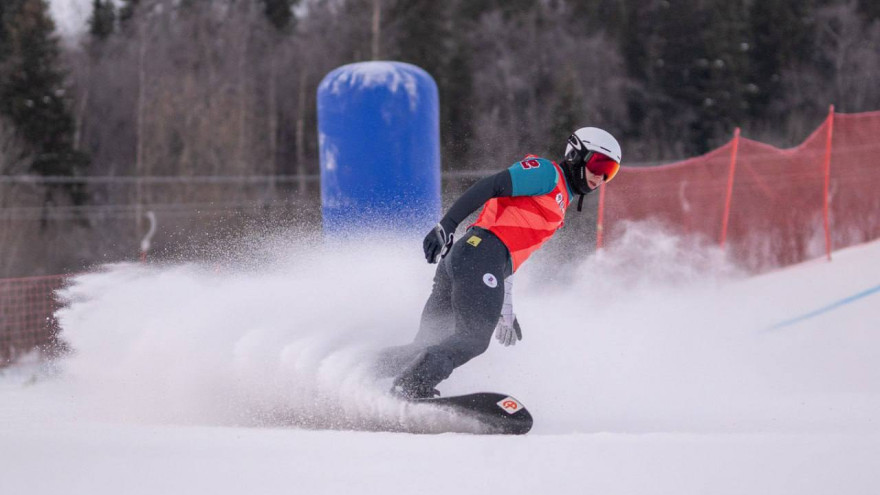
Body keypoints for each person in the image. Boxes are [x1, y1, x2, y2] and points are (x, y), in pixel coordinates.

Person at [380, 127, 622, 399]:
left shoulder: (560, 200)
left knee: (426, 344)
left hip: (473, 259)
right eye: (598, 164)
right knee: (473, 338)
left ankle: (355, 373)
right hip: (479, 255)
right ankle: (411, 386)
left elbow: (510, 256)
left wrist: (505, 306)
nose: (600, 177)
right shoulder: (547, 173)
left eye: (610, 172)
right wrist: (447, 224)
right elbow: (492, 184)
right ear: (576, 154)